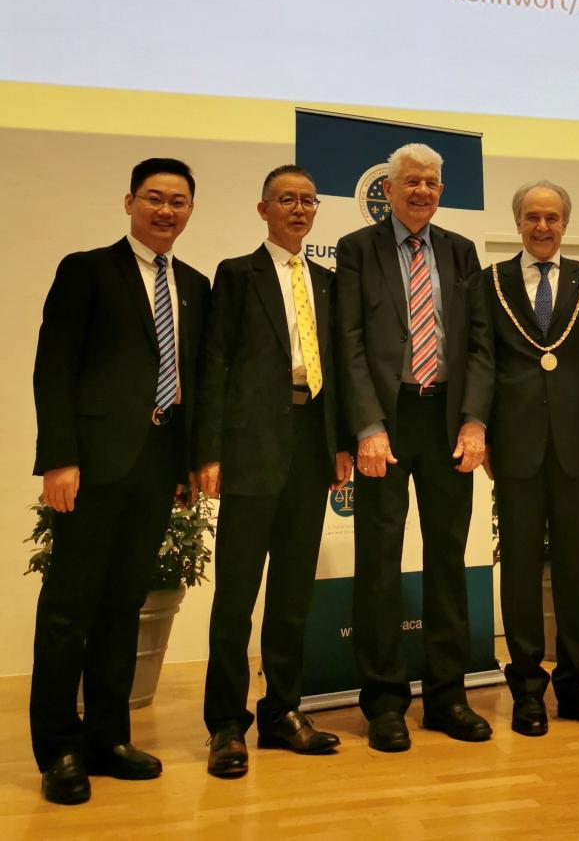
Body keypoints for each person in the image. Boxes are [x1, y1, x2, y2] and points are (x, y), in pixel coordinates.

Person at [29, 158, 210, 805]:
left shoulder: (194, 284)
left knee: (122, 604)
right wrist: (59, 459)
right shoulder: (86, 271)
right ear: (130, 201)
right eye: (154, 198)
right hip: (92, 465)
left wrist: (189, 462)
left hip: (158, 466)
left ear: (191, 210)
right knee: (69, 608)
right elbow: (54, 368)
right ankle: (60, 749)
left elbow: (194, 379)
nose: (166, 210)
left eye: (178, 201)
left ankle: (108, 738)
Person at [335, 142, 493, 752]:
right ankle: (383, 702)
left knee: (447, 559)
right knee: (378, 559)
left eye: (431, 182)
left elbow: (479, 344)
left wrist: (474, 421)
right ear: (389, 190)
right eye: (411, 181)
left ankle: (448, 697)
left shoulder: (460, 250)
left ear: (440, 190)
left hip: (448, 419)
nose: (423, 191)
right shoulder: (357, 249)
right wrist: (367, 426)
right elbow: (349, 343)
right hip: (388, 420)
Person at [196, 164, 351, 777]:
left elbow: (338, 367)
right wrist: (210, 452)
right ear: (263, 209)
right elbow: (214, 364)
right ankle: (226, 725)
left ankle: (283, 711)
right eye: (287, 199)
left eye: (308, 200)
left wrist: (340, 443)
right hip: (250, 447)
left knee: (292, 593)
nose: (299, 209)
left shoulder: (328, 281)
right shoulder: (237, 274)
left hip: (311, 445)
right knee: (236, 595)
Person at [480, 180, 579, 736]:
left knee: (573, 565)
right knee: (519, 566)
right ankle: (525, 687)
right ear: (518, 222)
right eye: (533, 217)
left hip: (576, 443)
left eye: (552, 218)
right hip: (515, 443)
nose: (542, 227)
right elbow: (482, 361)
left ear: (565, 223)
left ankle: (578, 683)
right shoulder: (491, 281)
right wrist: (482, 432)